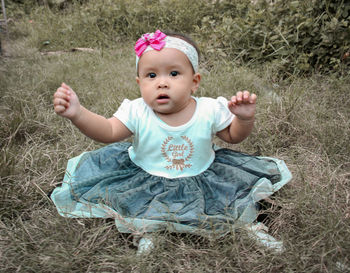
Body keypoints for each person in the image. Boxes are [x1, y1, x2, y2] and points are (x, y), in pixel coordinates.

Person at [51, 30, 291, 252]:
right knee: (142, 202)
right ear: (140, 83)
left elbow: (233, 137)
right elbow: (108, 131)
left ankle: (249, 226)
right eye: (151, 75)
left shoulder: (209, 109)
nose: (162, 82)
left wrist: (244, 119)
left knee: (228, 202)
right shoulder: (137, 110)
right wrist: (78, 114)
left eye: (174, 74)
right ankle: (148, 230)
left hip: (202, 174)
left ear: (194, 82)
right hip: (147, 174)